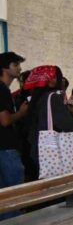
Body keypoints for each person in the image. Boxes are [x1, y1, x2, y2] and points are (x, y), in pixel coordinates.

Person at [0, 52, 29, 195]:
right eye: (15, 65)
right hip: (6, 148)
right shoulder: (2, 90)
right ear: (5, 68)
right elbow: (5, 120)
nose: (19, 68)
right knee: (15, 194)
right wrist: (22, 113)